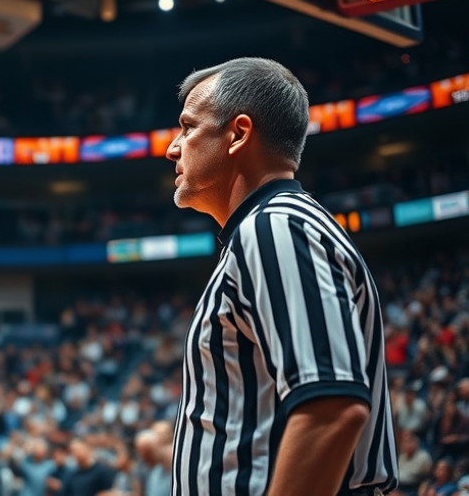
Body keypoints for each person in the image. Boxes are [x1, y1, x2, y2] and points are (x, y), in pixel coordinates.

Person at [166, 58, 397, 495]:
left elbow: (332, 407)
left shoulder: (275, 226)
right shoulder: (275, 227)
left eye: (188, 128)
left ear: (238, 134)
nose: (172, 149)